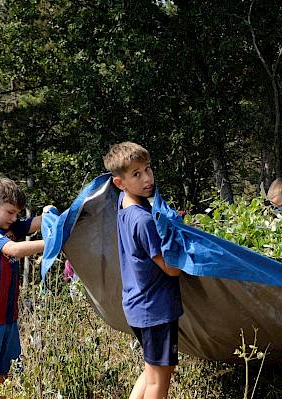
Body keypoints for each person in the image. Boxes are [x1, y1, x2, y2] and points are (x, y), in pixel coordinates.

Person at [104, 142, 183, 399]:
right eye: (136, 174)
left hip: (138, 305)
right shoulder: (143, 220)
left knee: (151, 373)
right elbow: (171, 270)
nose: (147, 178)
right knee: (160, 381)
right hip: (156, 309)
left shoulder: (124, 204)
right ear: (120, 183)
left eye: (148, 169)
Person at [0, 176, 54, 399]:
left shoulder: (8, 225)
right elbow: (13, 250)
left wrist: (50, 215)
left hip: (7, 318)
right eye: (11, 212)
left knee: (5, 376)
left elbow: (33, 223)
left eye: (17, 214)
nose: (14, 219)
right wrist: (54, 243)